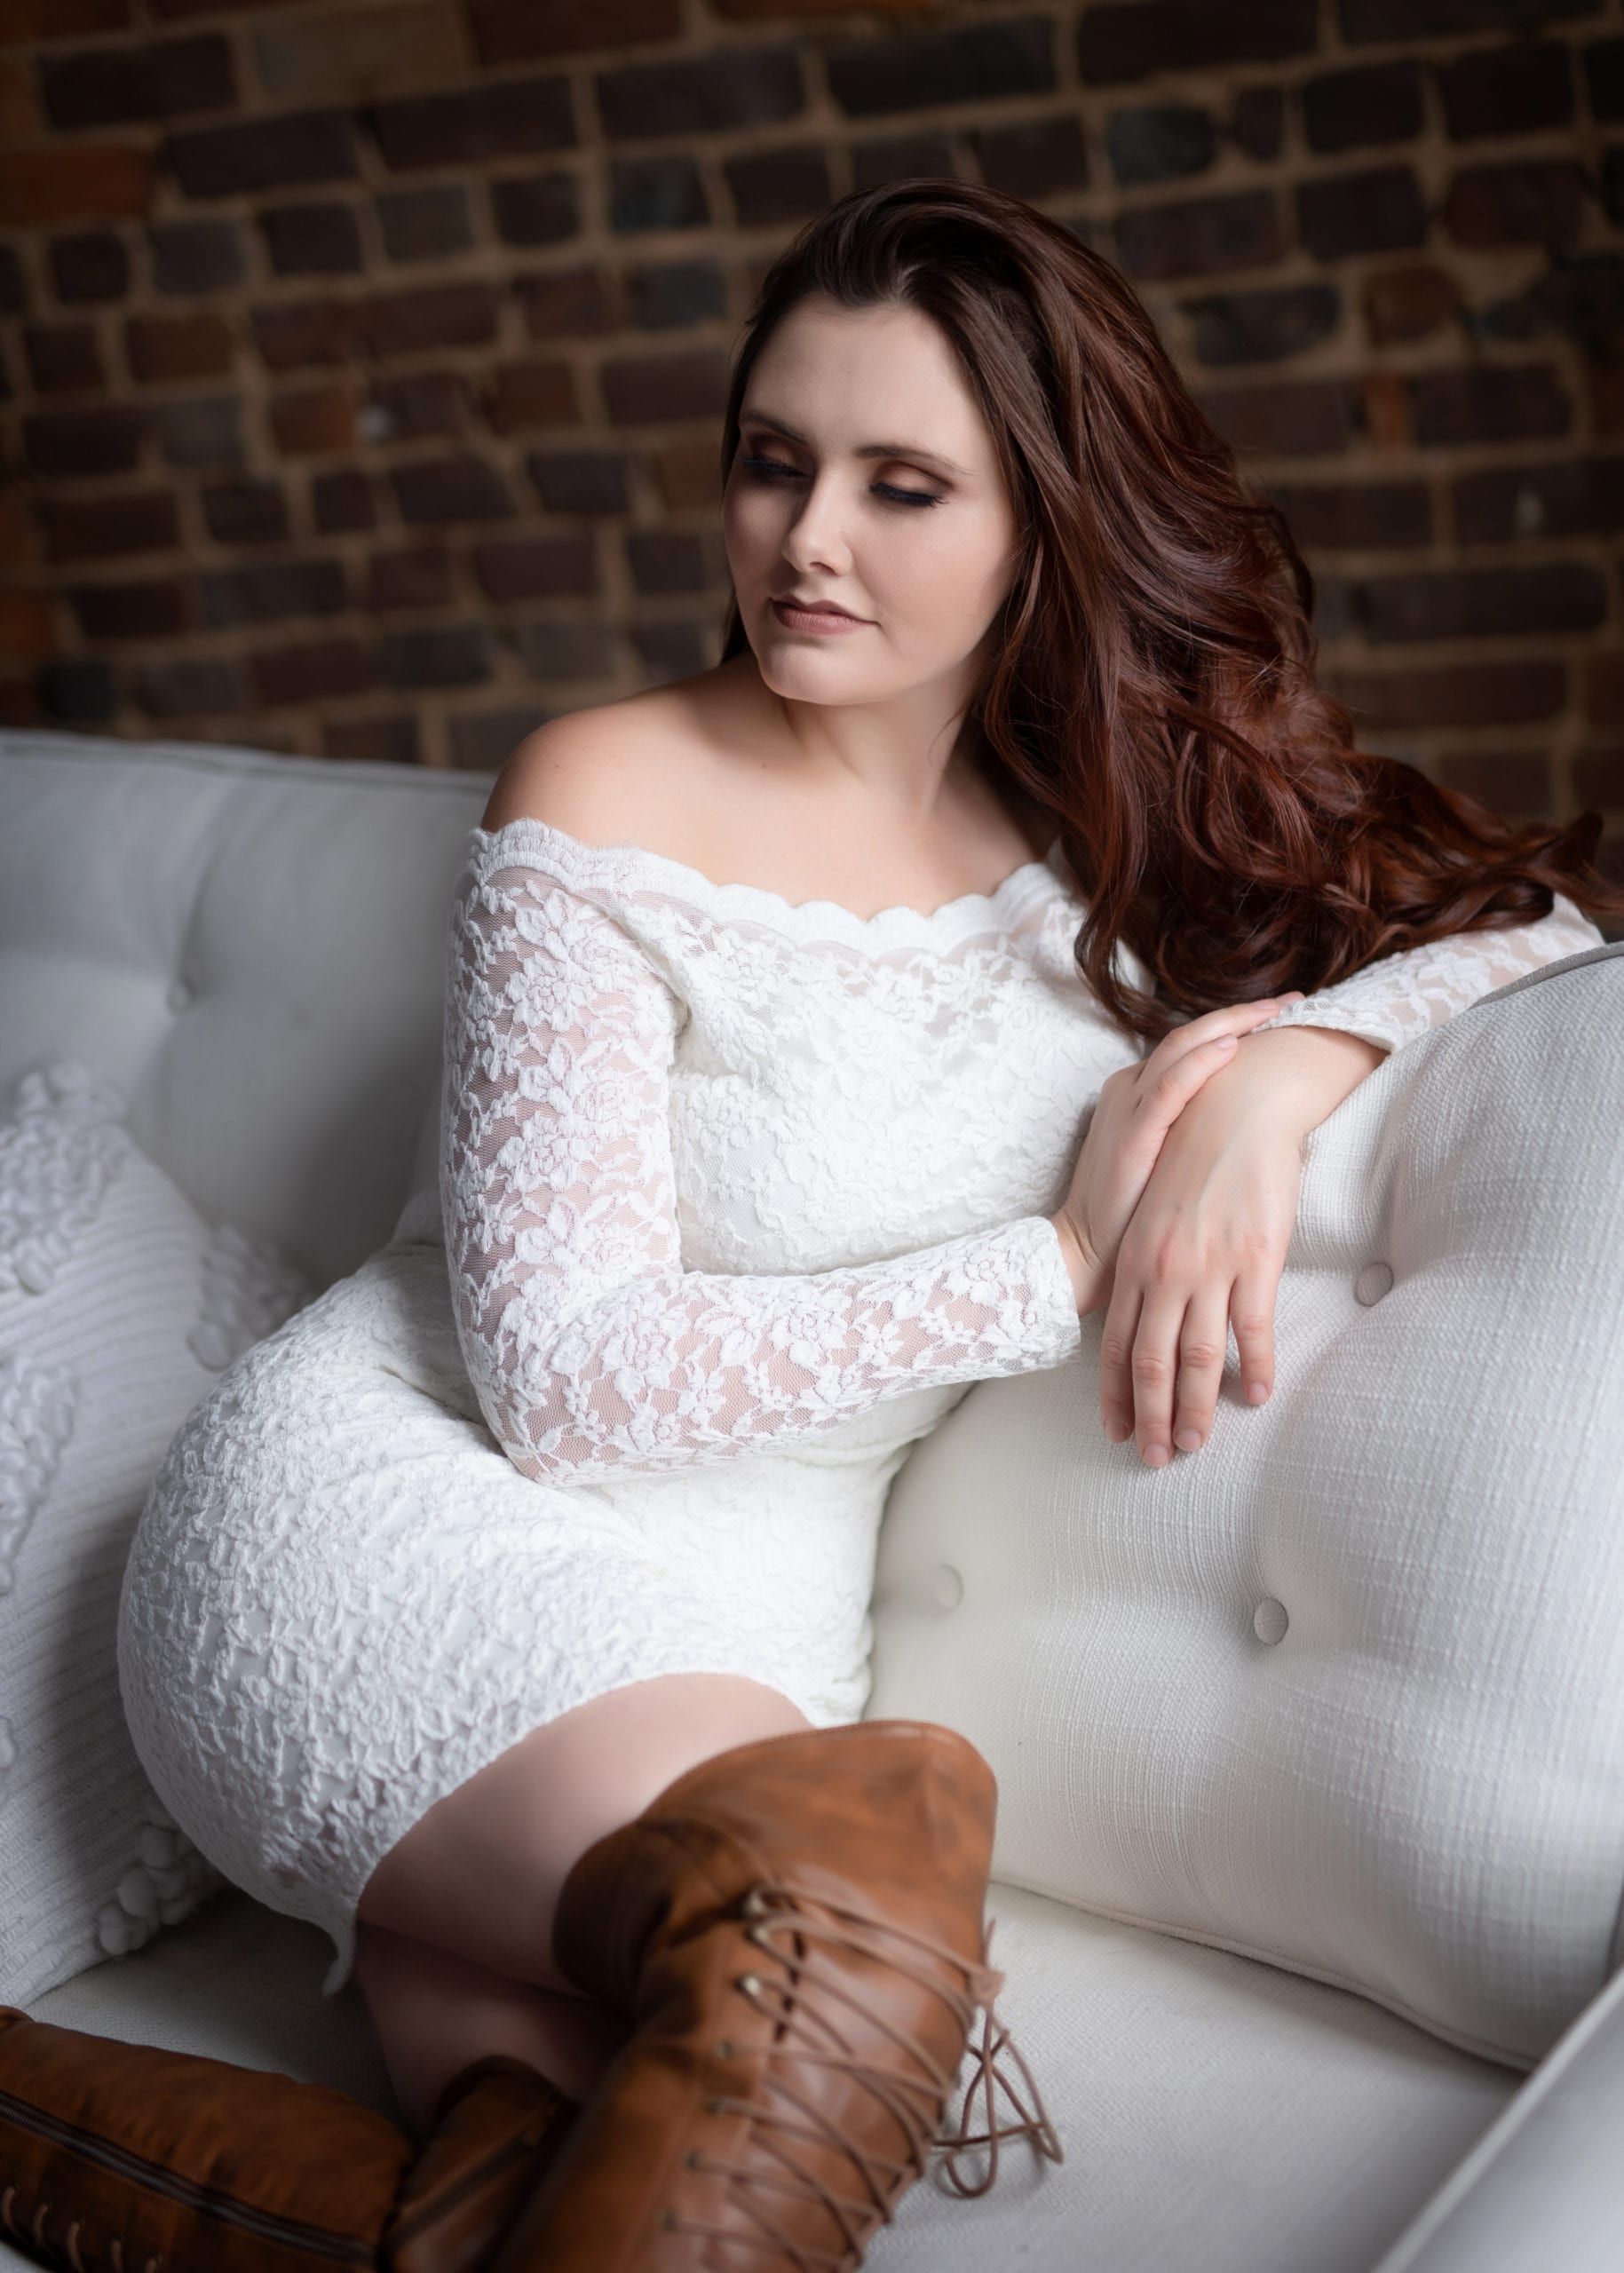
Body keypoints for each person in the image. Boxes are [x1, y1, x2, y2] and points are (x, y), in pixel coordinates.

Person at [3, 178, 1616, 2273]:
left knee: (550, 2203)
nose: (806, 539)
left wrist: (1297, 1062)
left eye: (901, 484)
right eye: (773, 462)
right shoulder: (605, 787)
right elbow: (566, 1382)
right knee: (852, 1942)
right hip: (402, 1534)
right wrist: (1053, 1270)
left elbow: (1543, 922)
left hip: (738, 1643)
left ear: (1044, 523)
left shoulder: (1114, 843)